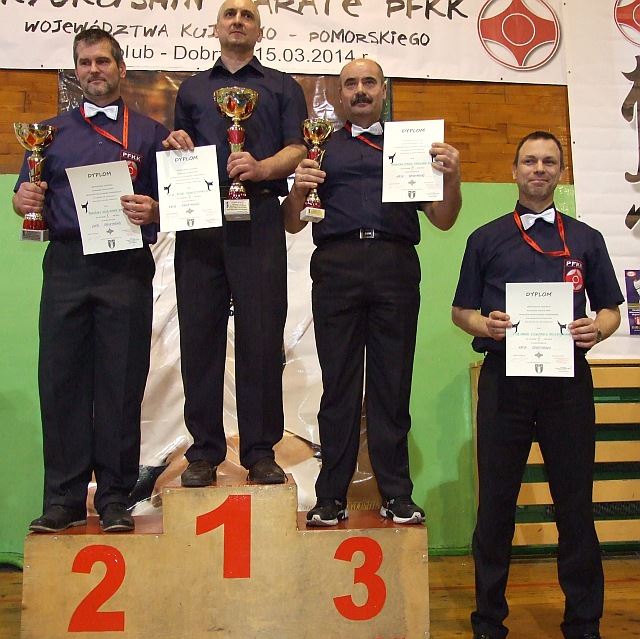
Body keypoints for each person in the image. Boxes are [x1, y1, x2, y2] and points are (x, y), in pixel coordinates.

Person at [452, 131, 623, 639]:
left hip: (567, 385)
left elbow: (611, 309)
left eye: (550, 161)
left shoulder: (587, 239)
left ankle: (584, 629)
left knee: (575, 508)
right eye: (530, 160)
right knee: (495, 509)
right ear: (515, 170)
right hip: (504, 382)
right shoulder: (484, 238)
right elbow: (460, 311)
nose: (539, 169)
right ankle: (488, 630)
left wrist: (598, 329)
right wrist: (485, 323)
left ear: (560, 172)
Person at [282, 58, 462, 526]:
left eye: (369, 82)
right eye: (350, 84)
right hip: (336, 266)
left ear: (383, 90)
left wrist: (451, 176)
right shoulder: (320, 148)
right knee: (338, 387)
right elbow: (292, 223)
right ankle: (330, 497)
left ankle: (396, 494)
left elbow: (444, 219)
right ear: (339, 94)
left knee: (391, 385)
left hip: (394, 266)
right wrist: (298, 190)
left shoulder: (413, 147)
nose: (360, 90)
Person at [13, 28, 169, 533]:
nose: (94, 70)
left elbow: (172, 205)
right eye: (85, 62)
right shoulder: (47, 134)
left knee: (121, 383)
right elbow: (23, 196)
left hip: (125, 268)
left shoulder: (150, 134)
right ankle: (63, 499)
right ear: (76, 70)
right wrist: (22, 200)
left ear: (121, 68)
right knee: (62, 383)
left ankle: (116, 498)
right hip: (67, 265)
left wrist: (154, 209)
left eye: (103, 61)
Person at [162, 0, 307, 487]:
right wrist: (177, 146)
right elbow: (180, 145)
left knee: (261, 337)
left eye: (247, 15)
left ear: (260, 30)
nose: (238, 21)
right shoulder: (192, 89)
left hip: (259, 215)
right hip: (200, 218)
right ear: (217, 27)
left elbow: (298, 148)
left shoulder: (282, 86)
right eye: (230, 14)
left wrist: (261, 168)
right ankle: (204, 451)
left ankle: (261, 451)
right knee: (199, 336)